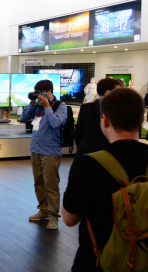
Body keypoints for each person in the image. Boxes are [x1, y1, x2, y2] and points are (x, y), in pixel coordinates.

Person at [62, 88, 147, 272]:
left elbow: (69, 219)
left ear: (105, 119)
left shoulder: (87, 164)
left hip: (97, 261)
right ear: (142, 120)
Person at [20, 80, 67, 230]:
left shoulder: (61, 106)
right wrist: (33, 103)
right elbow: (23, 118)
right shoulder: (37, 106)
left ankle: (53, 216)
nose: (39, 95)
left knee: (51, 185)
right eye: (36, 92)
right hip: (35, 149)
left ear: (48, 91)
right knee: (39, 183)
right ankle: (43, 210)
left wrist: (47, 106)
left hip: (50, 151)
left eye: (41, 92)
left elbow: (56, 123)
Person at [75, 78, 123, 158]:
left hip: (86, 153)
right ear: (108, 92)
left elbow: (79, 133)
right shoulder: (115, 110)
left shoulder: (85, 108)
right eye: (117, 91)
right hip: (106, 155)